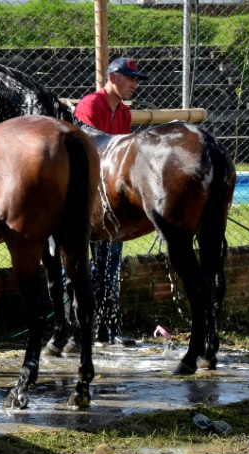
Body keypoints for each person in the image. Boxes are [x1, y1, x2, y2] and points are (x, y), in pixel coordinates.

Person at [73, 57, 146, 346]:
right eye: (130, 78)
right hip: (88, 199)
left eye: (137, 79)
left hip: (112, 201)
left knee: (111, 265)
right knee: (89, 267)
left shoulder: (124, 114)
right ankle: (82, 330)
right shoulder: (91, 105)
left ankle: (109, 329)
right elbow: (92, 152)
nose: (135, 84)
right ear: (113, 78)